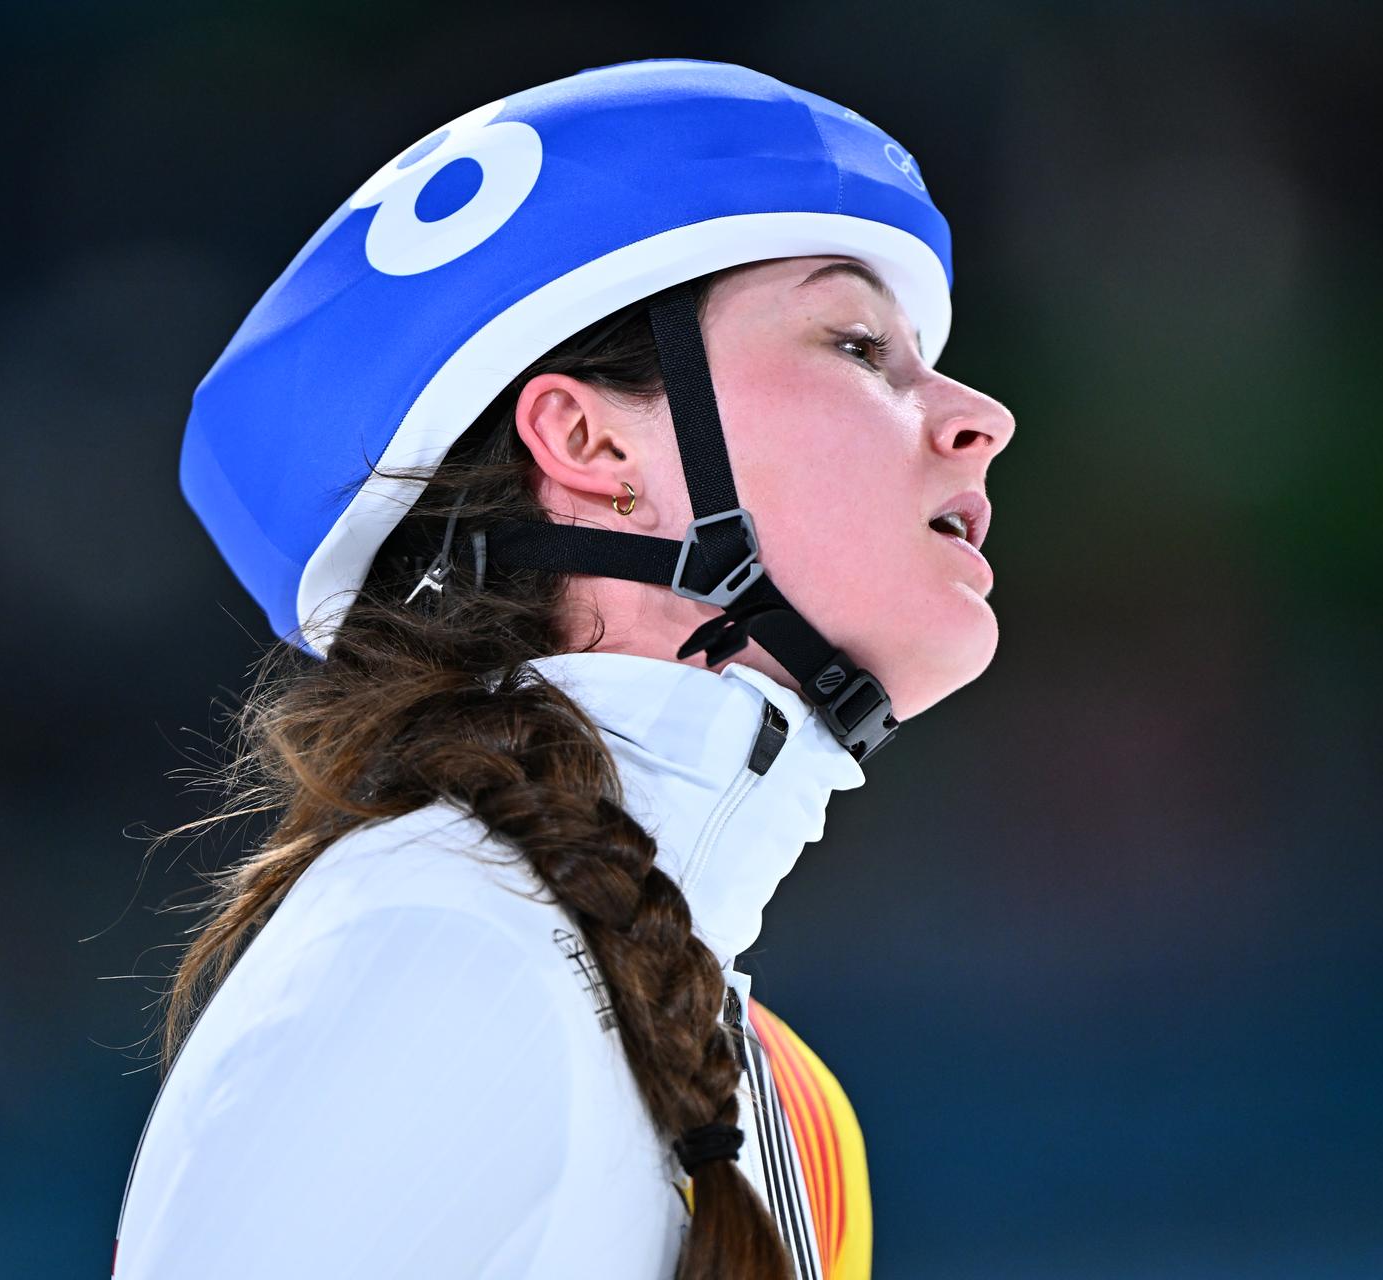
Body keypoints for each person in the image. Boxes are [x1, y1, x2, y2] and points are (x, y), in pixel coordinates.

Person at [112, 58, 1015, 1280]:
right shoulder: (426, 957)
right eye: (860, 343)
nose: (979, 417)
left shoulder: (779, 1098)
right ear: (590, 445)